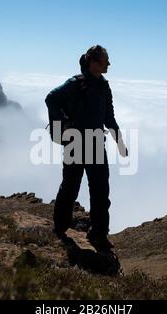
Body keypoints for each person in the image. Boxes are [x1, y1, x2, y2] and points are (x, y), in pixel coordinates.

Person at [45, 45, 127, 250]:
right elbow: (51, 98)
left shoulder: (104, 86)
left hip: (96, 143)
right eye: (105, 59)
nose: (109, 63)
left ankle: (98, 234)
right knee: (70, 187)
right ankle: (61, 228)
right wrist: (61, 125)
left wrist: (120, 141)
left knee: (100, 191)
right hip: (75, 143)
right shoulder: (76, 84)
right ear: (93, 62)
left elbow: (109, 117)